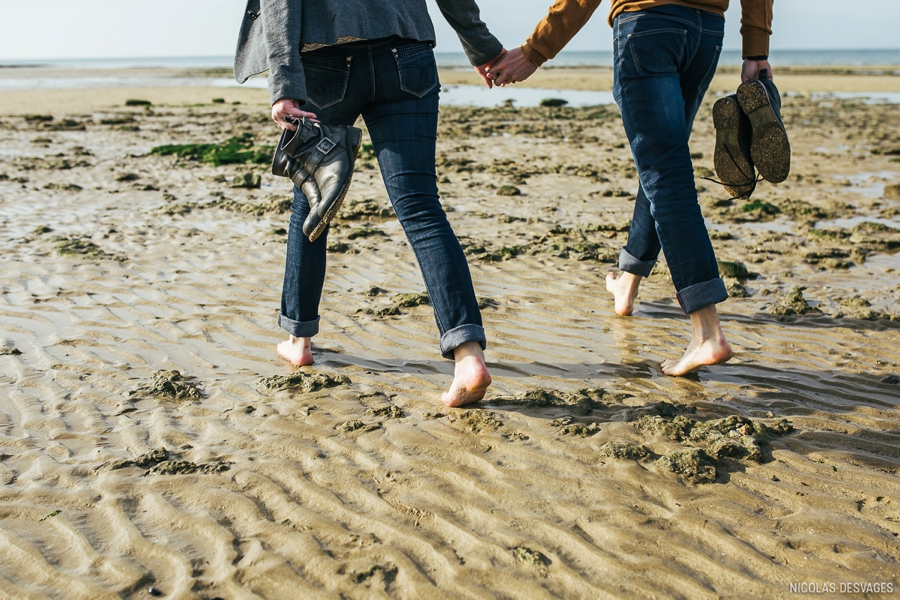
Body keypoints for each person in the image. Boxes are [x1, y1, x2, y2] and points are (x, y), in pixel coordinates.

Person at [233, 0, 505, 406]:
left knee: (309, 200)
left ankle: (299, 339)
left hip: (325, 59)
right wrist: (484, 49)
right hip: (406, 54)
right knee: (420, 205)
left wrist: (284, 85)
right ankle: (468, 356)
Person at [487, 0, 775, 376]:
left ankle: (708, 332)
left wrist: (536, 49)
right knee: (661, 161)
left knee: (664, 172)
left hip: (649, 25)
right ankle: (628, 280)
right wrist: (756, 46)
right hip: (705, 31)